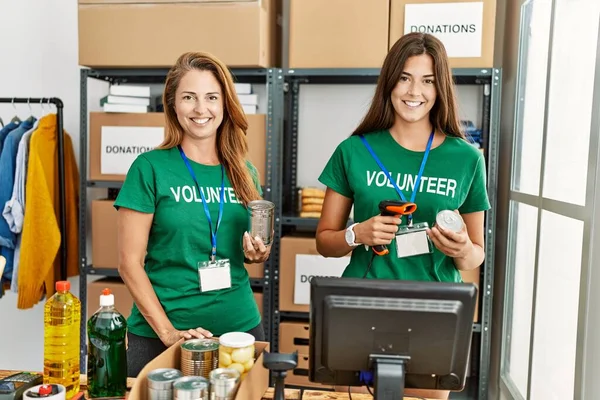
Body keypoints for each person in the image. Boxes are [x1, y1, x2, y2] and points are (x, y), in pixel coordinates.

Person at [316, 32, 490, 399]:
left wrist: (460, 247)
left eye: (427, 80)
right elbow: (325, 241)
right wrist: (356, 234)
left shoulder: (467, 158)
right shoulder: (353, 150)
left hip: (436, 309)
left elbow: (477, 254)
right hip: (363, 304)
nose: (415, 91)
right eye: (405, 78)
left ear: (440, 87)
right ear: (390, 82)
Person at [114, 52, 271, 377]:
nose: (201, 109)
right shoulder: (150, 169)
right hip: (161, 335)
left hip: (238, 332)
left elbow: (249, 253)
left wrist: (257, 253)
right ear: (173, 104)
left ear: (225, 104)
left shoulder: (245, 172)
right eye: (189, 98)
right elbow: (128, 263)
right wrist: (169, 334)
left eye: (211, 97)